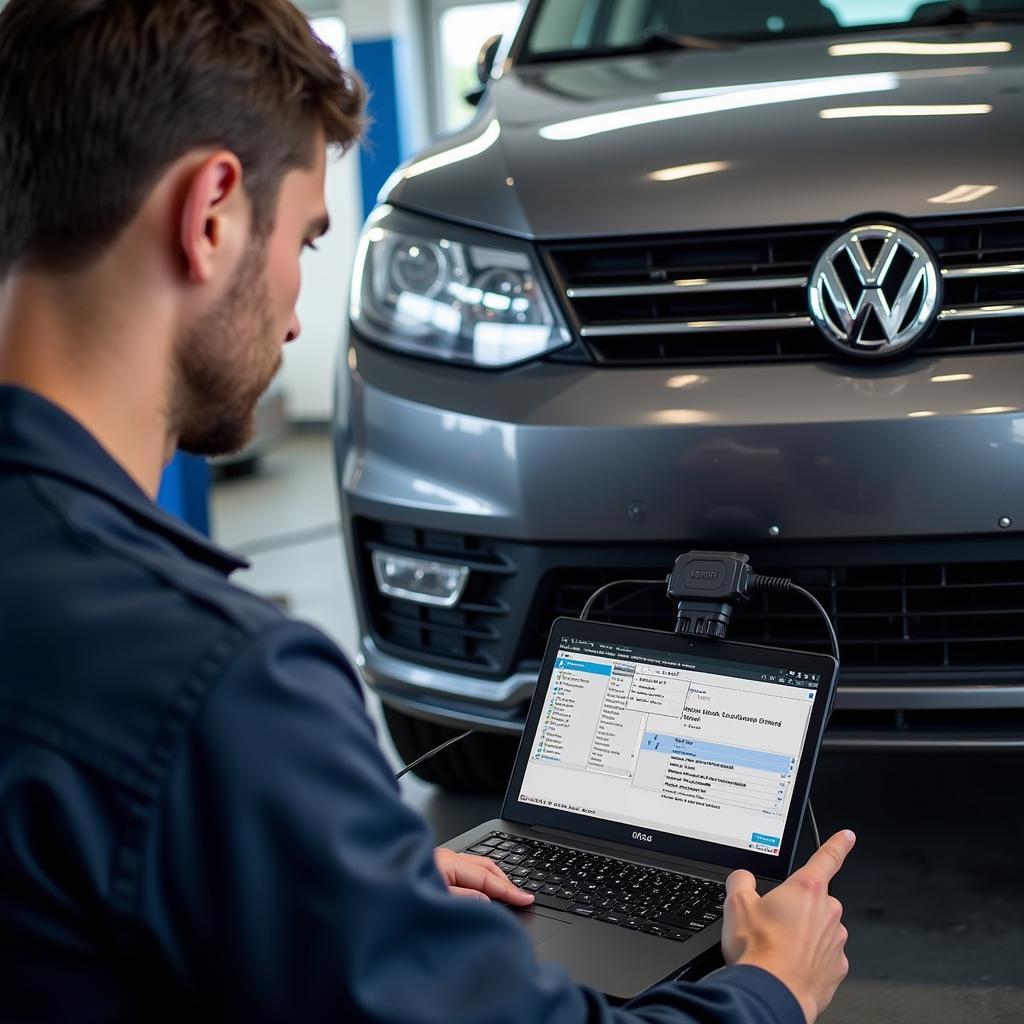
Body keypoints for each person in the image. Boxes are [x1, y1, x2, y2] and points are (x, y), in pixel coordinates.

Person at [0, 1, 854, 1021]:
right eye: (308, 241)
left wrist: (345, 885)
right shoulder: (216, 688)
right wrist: (768, 988)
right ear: (214, 213)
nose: (296, 313)